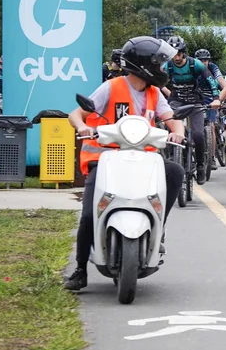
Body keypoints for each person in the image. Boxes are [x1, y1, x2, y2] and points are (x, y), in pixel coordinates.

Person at [63, 37, 186, 292]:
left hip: (143, 159)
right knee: (89, 214)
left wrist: (178, 131)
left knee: (174, 172)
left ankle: (158, 225)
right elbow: (76, 113)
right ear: (144, 65)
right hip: (105, 159)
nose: (161, 69)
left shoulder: (154, 93)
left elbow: (172, 118)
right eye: (158, 64)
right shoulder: (111, 87)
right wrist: (83, 126)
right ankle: (80, 269)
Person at [162, 35, 220, 184]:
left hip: (195, 102)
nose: (176, 57)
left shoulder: (195, 64)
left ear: (184, 53)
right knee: (169, 130)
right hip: (176, 102)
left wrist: (216, 98)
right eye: (173, 54)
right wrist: (165, 95)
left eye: (179, 54)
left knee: (198, 135)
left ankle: (200, 165)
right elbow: (157, 83)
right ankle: (171, 156)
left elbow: (211, 81)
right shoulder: (167, 66)